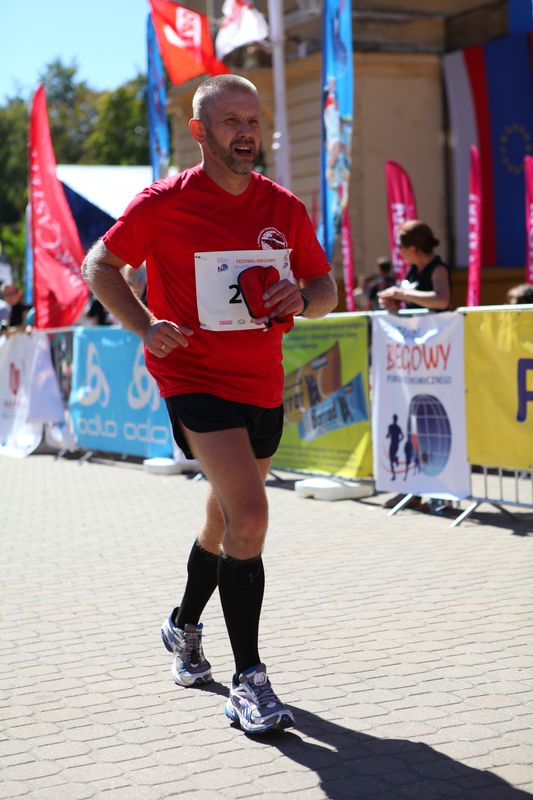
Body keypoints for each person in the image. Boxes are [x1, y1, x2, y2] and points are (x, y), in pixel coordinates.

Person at [81, 74, 338, 735]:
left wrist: (303, 298)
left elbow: (324, 287)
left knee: (223, 521)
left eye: (253, 120)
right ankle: (249, 682)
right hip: (191, 376)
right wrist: (145, 326)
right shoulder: (163, 203)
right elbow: (99, 266)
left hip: (260, 381)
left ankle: (182, 626)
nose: (246, 132)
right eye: (230, 121)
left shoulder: (282, 207)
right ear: (199, 131)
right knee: (250, 516)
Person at [378, 221, 451, 312]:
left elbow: (442, 301)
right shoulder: (413, 269)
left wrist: (403, 294)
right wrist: (393, 301)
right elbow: (410, 299)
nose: (399, 252)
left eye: (399, 246)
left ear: (412, 249)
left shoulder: (438, 269)